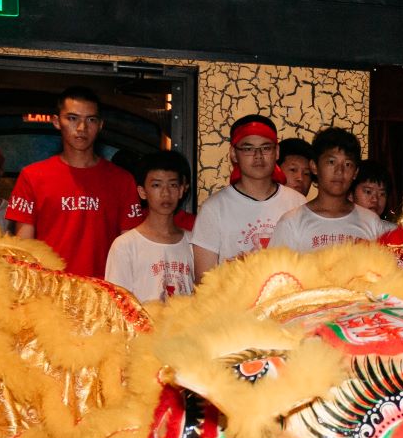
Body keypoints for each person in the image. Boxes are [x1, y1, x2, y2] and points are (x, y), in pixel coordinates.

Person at [5, 88, 140, 277]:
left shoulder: (122, 180)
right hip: (51, 290)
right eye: (72, 118)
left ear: (100, 125)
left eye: (91, 120)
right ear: (56, 121)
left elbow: (131, 249)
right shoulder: (32, 176)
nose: (82, 127)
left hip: (105, 290)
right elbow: (24, 252)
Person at [191, 112, 305, 275]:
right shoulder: (214, 208)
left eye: (266, 148)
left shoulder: (298, 203)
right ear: (233, 154)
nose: (258, 156)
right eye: (248, 148)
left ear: (277, 152)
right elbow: (204, 280)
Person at [267, 126, 387, 251]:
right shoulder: (291, 223)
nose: (339, 171)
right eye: (331, 162)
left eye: (347, 164)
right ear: (314, 166)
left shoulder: (371, 222)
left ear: (355, 172)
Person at [102, 149, 196, 302]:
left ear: (181, 190)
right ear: (142, 191)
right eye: (156, 185)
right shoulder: (125, 245)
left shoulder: (193, 243)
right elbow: (117, 304)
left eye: (172, 185)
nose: (165, 193)